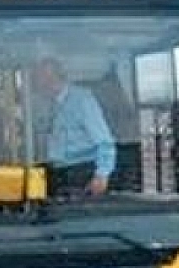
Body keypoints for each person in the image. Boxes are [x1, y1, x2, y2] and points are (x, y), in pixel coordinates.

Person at [33, 57, 117, 196]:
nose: (38, 86)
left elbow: (104, 141)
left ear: (51, 79)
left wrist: (102, 175)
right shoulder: (50, 104)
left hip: (81, 172)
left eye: (39, 80)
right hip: (58, 172)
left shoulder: (82, 101)